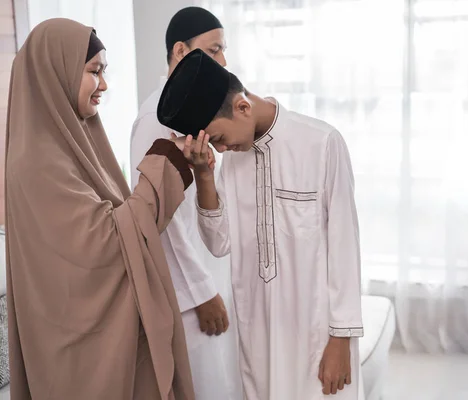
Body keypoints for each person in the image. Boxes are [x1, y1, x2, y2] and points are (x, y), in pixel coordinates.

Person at [5, 18, 201, 399]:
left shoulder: (77, 145)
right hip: (79, 356)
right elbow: (105, 244)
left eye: (105, 72)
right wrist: (164, 164)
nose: (105, 86)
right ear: (55, 73)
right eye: (94, 72)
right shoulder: (37, 164)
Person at [158, 49, 365, 400]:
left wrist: (341, 339)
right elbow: (219, 243)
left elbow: (345, 245)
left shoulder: (322, 143)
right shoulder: (234, 161)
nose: (222, 150)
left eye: (220, 139)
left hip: (315, 335)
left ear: (242, 107)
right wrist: (204, 176)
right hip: (258, 335)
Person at [129, 7, 242, 399]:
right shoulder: (154, 119)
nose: (224, 61)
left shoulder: (192, 107)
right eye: (214, 50)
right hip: (188, 294)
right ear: (180, 50)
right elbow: (159, 218)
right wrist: (202, 292)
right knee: (207, 386)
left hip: (207, 271)